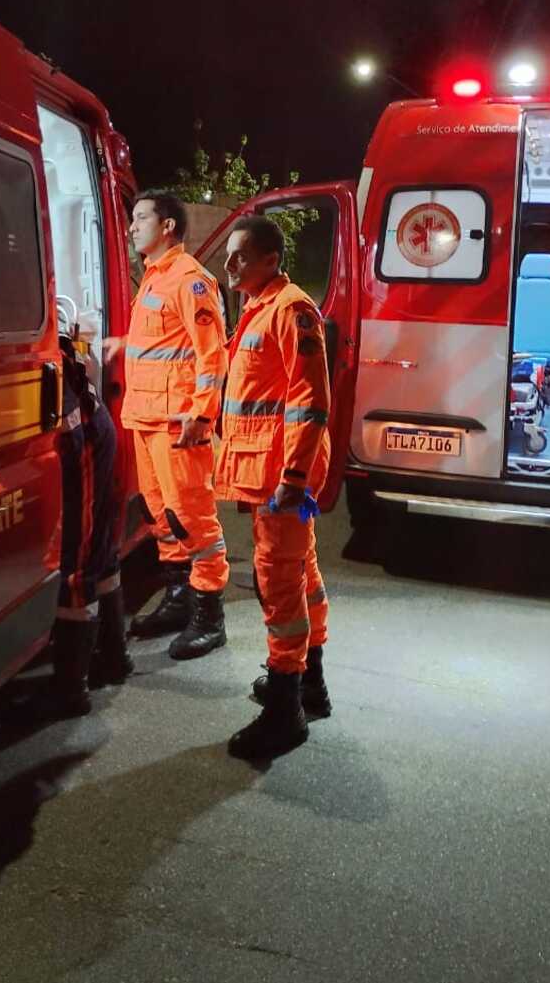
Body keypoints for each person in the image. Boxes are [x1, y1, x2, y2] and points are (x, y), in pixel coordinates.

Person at [215, 214, 331, 760]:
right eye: (229, 255)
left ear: (269, 260)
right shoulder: (260, 306)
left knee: (279, 584)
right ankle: (310, 683)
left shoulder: (291, 311)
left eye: (240, 256)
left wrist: (294, 478)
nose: (229, 264)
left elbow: (311, 402)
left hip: (281, 475)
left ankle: (286, 710)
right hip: (269, 469)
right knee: (301, 573)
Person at [107, 190, 230, 659]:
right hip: (146, 418)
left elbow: (211, 354)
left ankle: (208, 616)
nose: (131, 226)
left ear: (168, 227)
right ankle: (179, 599)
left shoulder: (190, 281)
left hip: (179, 425)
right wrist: (122, 344)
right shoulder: (155, 278)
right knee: (162, 517)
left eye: (140, 219)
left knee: (192, 519)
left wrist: (201, 414)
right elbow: (162, 343)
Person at [32, 332, 133, 717]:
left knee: (78, 558)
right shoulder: (51, 338)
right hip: (91, 433)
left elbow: (69, 431)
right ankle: (114, 656)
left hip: (84, 440)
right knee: (100, 552)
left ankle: (71, 690)